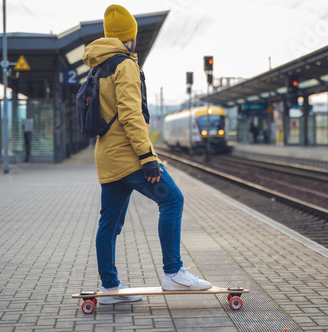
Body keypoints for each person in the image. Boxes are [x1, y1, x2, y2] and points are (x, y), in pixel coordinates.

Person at [82, 4, 212, 305]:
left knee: (110, 224)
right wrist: (148, 157)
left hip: (107, 156)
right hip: (128, 156)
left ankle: (110, 288)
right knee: (173, 199)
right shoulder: (124, 64)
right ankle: (173, 273)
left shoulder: (98, 65)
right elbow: (131, 115)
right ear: (131, 37)